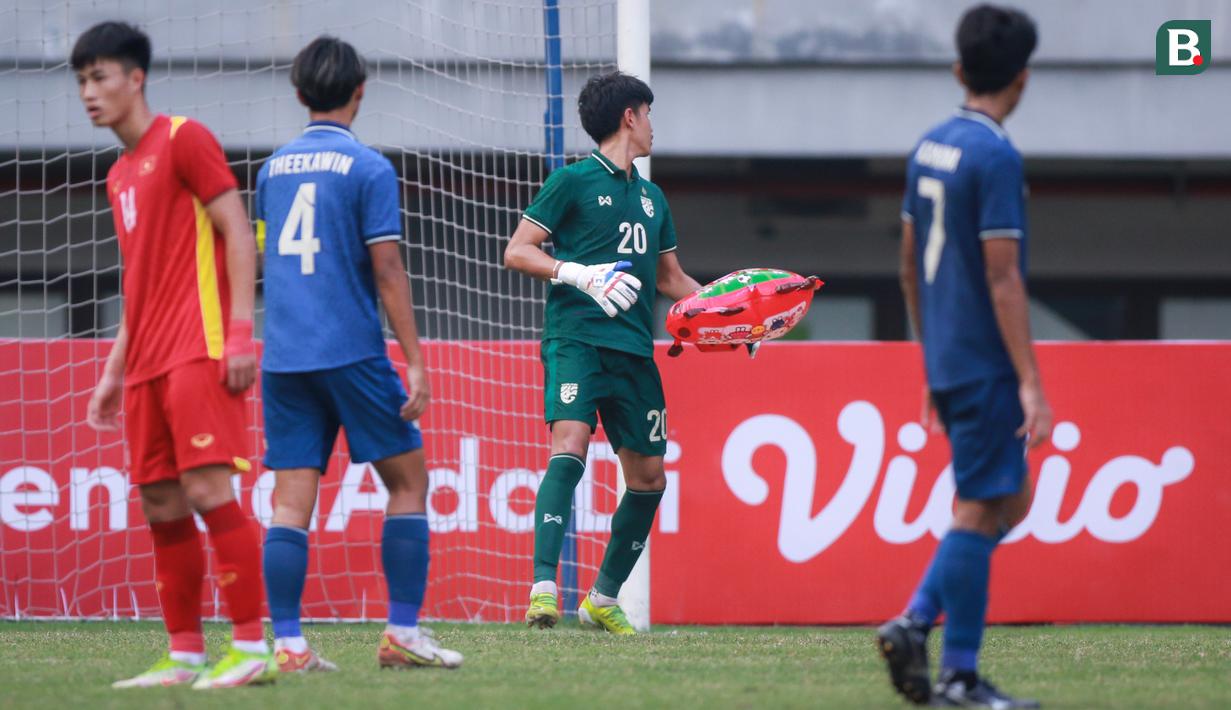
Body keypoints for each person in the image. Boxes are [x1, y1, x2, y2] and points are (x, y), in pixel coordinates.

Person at [75, 21, 273, 689]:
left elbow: (237, 234)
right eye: (81, 81)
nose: (89, 92)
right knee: (160, 504)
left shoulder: (185, 138)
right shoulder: (118, 174)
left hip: (200, 348)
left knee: (207, 489)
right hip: (145, 363)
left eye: (99, 77)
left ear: (136, 78)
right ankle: (184, 652)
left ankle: (250, 647)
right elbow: (138, 282)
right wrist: (111, 372)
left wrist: (241, 333)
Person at [255, 36, 461, 671]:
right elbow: (389, 271)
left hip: (284, 355)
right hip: (349, 349)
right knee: (409, 482)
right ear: (360, 91)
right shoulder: (369, 167)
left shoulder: (269, 171)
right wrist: (417, 361)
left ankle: (288, 644)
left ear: (298, 94)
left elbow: (271, 261)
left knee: (290, 500)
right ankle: (401, 633)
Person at [877, 5, 1052, 708]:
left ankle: (919, 625)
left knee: (1008, 499)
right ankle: (950, 666)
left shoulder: (930, 146)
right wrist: (1031, 382)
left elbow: (905, 264)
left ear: (959, 70)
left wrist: (929, 357)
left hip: (949, 356)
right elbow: (1002, 276)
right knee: (982, 508)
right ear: (1022, 79)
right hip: (982, 362)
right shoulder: (994, 154)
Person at [504, 71, 703, 635]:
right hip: (575, 339)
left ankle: (601, 597)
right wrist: (577, 273)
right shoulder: (569, 182)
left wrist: (735, 316)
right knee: (569, 444)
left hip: (634, 352)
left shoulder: (652, 196)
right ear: (630, 117)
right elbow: (517, 251)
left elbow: (672, 279)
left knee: (649, 478)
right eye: (650, 114)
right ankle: (544, 589)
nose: (653, 128)